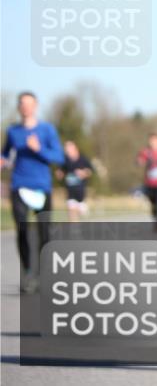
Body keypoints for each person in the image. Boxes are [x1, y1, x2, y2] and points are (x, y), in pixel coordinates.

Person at [1, 92, 64, 293]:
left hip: (41, 186)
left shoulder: (47, 130)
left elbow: (59, 157)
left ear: (35, 106)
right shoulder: (13, 131)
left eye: (29, 104)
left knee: (44, 233)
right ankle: (28, 272)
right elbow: (5, 153)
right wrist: (2, 161)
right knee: (22, 229)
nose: (26, 107)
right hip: (19, 185)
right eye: (22, 104)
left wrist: (38, 149)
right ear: (19, 107)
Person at [136, 134, 157, 232]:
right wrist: (140, 162)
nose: (153, 143)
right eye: (151, 141)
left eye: (155, 141)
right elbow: (139, 161)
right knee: (153, 204)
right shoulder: (146, 152)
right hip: (149, 183)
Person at [58, 140, 94, 222]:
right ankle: (74, 230)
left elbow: (90, 171)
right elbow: (61, 171)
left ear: (75, 148)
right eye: (66, 149)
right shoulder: (65, 160)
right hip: (70, 190)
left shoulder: (83, 159)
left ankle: (83, 209)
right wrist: (60, 174)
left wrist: (83, 173)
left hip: (80, 190)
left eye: (69, 148)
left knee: (79, 211)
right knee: (71, 211)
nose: (67, 150)